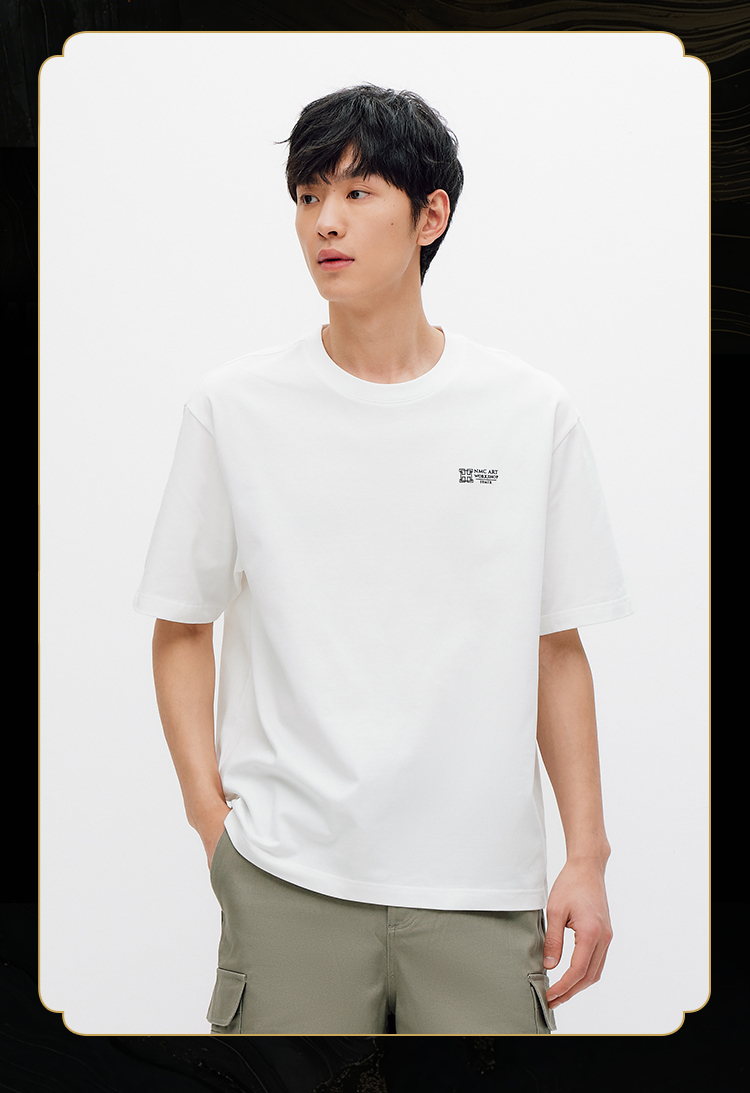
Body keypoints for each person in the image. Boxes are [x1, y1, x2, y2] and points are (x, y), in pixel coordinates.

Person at [134, 84, 633, 1035]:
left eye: (358, 192)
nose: (325, 221)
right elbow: (182, 626)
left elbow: (555, 647)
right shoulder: (234, 408)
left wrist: (587, 855)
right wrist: (214, 827)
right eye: (308, 194)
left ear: (430, 215)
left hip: (483, 890)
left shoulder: (529, 411)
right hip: (288, 880)